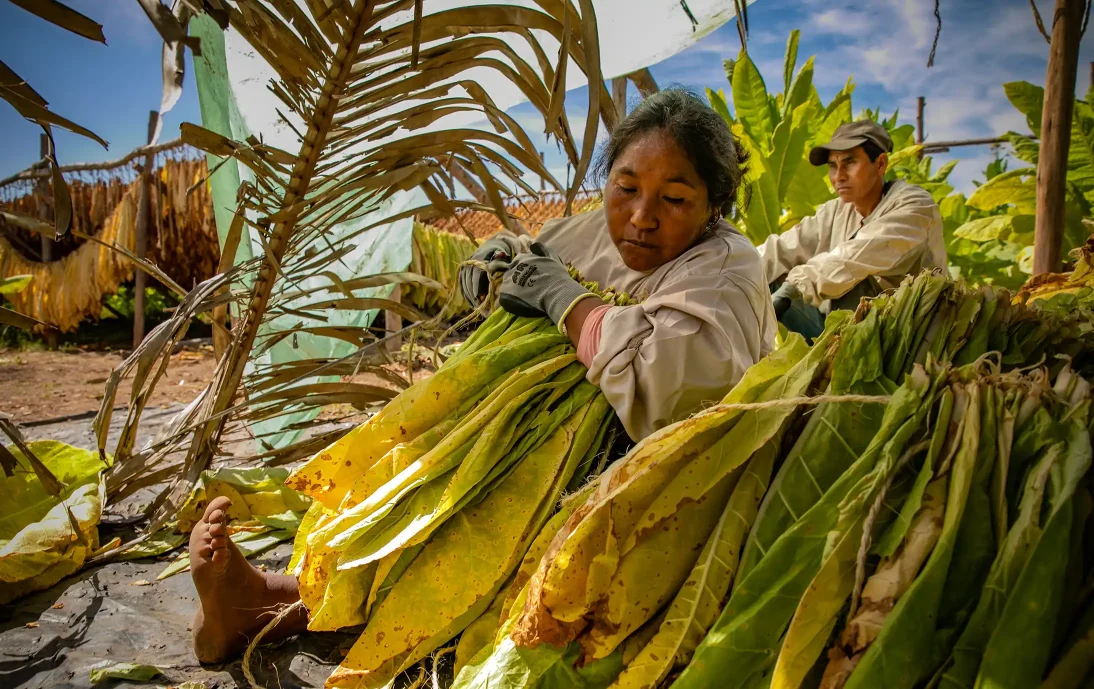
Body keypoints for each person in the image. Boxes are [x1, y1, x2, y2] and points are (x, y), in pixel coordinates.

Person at [187, 88, 775, 664]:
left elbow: (673, 390)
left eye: (674, 200)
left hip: (618, 470)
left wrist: (569, 303)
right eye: (625, 189)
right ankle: (277, 593)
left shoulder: (726, 268)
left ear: (714, 205)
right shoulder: (596, 228)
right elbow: (537, 253)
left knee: (486, 530)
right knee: (411, 469)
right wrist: (498, 258)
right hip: (508, 424)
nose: (641, 218)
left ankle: (270, 605)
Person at [759, 119, 946, 340]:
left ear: (880, 164)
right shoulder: (836, 211)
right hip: (850, 333)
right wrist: (728, 268)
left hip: (907, 338)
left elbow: (853, 259)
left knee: (847, 284)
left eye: (849, 163)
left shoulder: (914, 205)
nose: (839, 176)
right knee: (764, 277)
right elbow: (782, 248)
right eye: (832, 166)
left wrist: (793, 288)